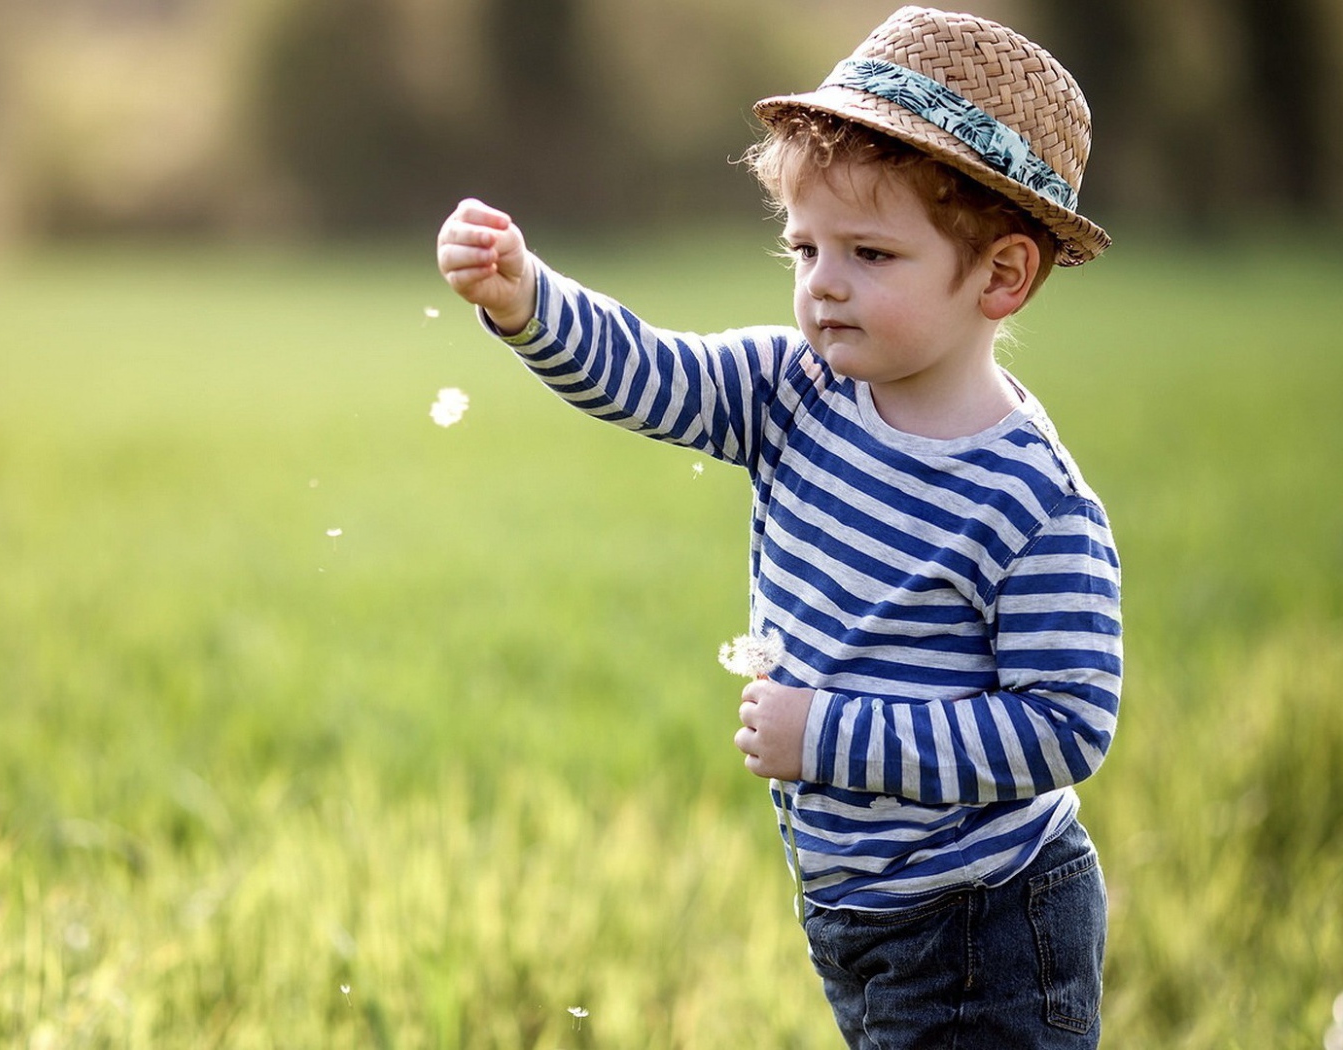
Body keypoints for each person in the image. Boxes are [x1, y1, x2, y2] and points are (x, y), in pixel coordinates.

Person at [435, 6, 1122, 1048]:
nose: (822, 286)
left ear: (1000, 275)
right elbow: (654, 374)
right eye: (804, 248)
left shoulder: (1030, 503)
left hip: (983, 922)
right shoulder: (794, 391)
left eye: (870, 253)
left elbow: (1065, 723)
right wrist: (528, 301)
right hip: (856, 911)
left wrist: (825, 735)